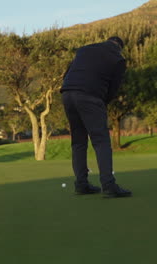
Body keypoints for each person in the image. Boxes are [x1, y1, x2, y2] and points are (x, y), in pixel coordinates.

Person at [61, 36, 132, 198]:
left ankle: (81, 184)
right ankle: (108, 185)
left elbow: (67, 73)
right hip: (90, 96)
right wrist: (101, 103)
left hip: (67, 93)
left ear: (107, 41)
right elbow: (113, 88)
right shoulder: (118, 59)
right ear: (120, 47)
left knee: (78, 141)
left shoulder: (84, 49)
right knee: (101, 142)